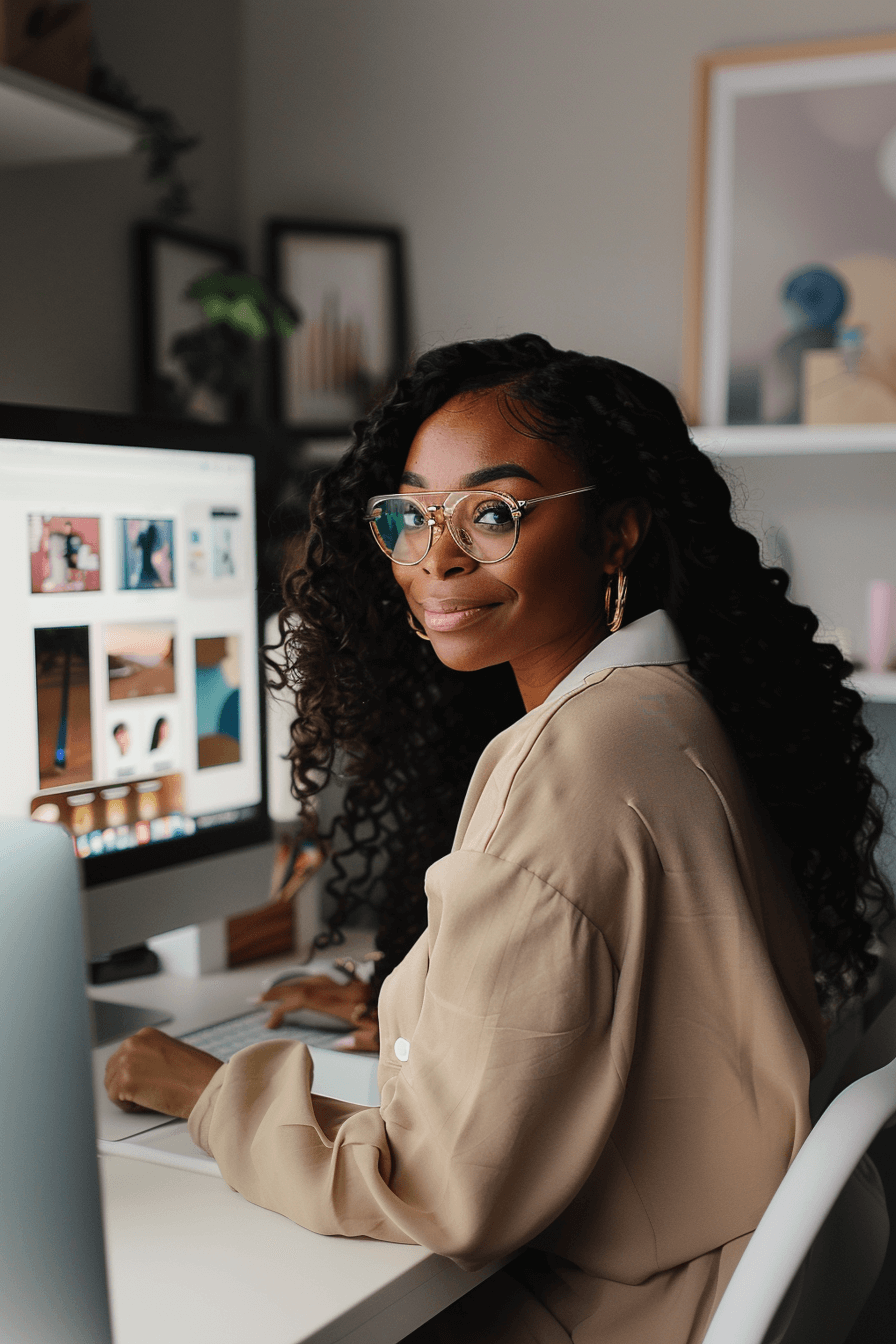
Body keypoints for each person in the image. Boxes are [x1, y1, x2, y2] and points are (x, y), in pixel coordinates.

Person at [105, 334, 894, 1344]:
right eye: (412, 514)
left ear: (614, 534)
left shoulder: (573, 770)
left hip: (619, 1315)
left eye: (490, 512)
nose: (434, 556)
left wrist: (212, 1091)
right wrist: (436, 1004)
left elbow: (438, 1193)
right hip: (702, 1275)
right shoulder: (655, 711)